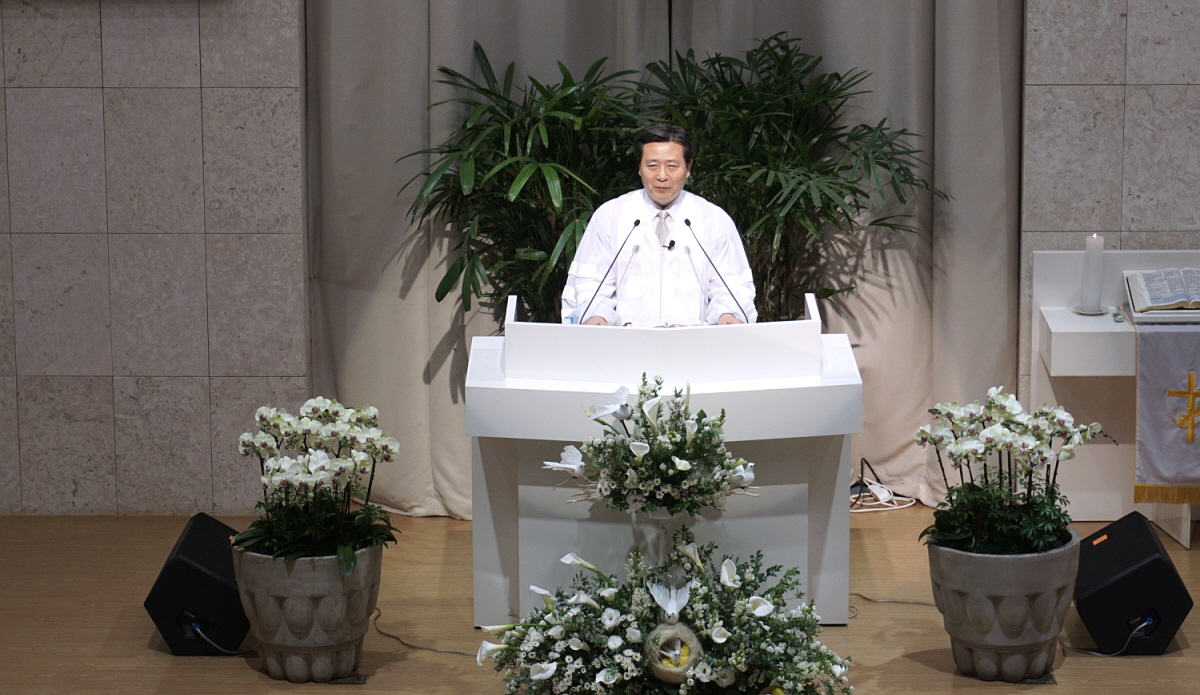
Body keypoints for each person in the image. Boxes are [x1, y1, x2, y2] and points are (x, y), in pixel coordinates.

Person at [561, 124, 757, 326]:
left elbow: (731, 286)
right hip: (626, 341)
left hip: (693, 341)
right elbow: (591, 283)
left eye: (672, 166)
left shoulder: (714, 220)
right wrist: (596, 315)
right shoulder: (610, 216)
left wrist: (728, 314)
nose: (662, 176)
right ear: (639, 167)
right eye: (652, 166)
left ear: (688, 168)